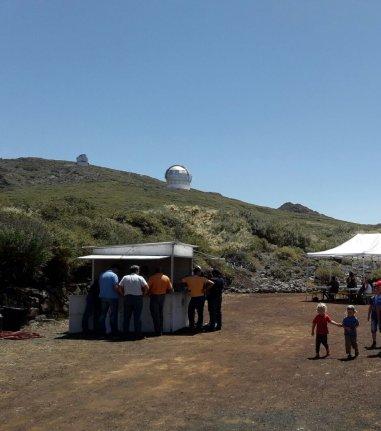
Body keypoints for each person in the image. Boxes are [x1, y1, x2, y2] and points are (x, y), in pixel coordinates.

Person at [119, 265, 148, 339]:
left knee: (126, 317)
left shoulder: (125, 277)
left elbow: (119, 287)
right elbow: (146, 287)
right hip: (138, 298)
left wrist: (123, 294)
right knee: (137, 317)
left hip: (127, 298)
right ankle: (138, 334)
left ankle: (125, 334)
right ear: (137, 271)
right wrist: (143, 294)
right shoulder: (140, 277)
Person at [182, 266, 214, 331]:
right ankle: (199, 326)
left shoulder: (188, 278)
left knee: (190, 311)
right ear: (198, 272)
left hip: (193, 297)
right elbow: (212, 283)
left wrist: (187, 287)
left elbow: (182, 280)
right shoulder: (203, 279)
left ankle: (192, 325)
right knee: (200, 312)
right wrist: (205, 289)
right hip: (201, 297)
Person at [148, 267, 173, 336]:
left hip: (154, 297)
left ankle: (157, 331)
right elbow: (171, 289)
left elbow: (147, 288)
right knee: (160, 314)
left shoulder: (152, 278)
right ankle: (161, 330)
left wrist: (148, 293)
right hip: (162, 297)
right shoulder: (166, 278)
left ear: (155, 271)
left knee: (155, 314)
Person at [98, 267, 120, 337]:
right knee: (113, 315)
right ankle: (114, 331)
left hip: (103, 297)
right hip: (113, 297)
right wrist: (120, 293)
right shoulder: (114, 275)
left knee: (103, 314)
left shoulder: (102, 275)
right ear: (115, 270)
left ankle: (102, 330)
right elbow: (115, 287)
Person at [367, 281, 381, 349]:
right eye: (375, 288)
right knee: (373, 329)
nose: (376, 289)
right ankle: (374, 342)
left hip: (379, 316)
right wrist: (368, 315)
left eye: (377, 287)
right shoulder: (372, 298)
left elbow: (378, 308)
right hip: (374, 316)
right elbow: (370, 307)